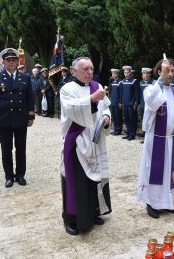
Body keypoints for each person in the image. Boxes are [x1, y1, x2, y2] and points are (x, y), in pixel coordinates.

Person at [60, 56, 112, 235]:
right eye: (85, 69)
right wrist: (91, 100)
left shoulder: (97, 86)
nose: (90, 72)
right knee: (77, 181)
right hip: (77, 140)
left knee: (94, 179)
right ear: (74, 71)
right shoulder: (67, 89)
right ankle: (73, 218)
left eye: (91, 69)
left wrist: (106, 117)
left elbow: (105, 107)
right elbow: (71, 110)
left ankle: (92, 212)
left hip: (95, 139)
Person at [137, 56, 174, 219]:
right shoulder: (151, 89)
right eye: (167, 71)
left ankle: (167, 202)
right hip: (155, 139)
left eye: (172, 71)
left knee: (169, 172)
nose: (170, 74)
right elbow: (151, 101)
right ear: (159, 72)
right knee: (153, 170)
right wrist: (159, 79)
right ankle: (151, 203)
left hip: (170, 139)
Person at [0, 48, 35, 188]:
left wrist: (31, 116)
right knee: (6, 149)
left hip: (20, 118)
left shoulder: (25, 77)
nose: (12, 62)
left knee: (21, 148)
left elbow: (30, 98)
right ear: (4, 62)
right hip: (4, 119)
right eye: (9, 60)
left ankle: (20, 175)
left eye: (14, 60)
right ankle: (8, 176)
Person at [120, 65, 139, 141]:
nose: (126, 74)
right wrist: (121, 102)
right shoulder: (123, 81)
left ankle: (132, 134)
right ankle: (128, 133)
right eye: (125, 72)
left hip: (131, 104)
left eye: (127, 72)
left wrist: (136, 102)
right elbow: (122, 93)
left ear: (130, 73)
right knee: (126, 119)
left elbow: (137, 93)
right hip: (125, 103)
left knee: (132, 119)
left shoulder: (134, 81)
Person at [109, 68, 123, 135]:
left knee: (118, 116)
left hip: (117, 102)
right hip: (113, 101)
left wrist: (120, 102)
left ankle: (118, 130)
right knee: (114, 116)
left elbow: (121, 93)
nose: (113, 75)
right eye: (112, 73)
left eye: (114, 73)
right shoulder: (112, 82)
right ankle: (115, 129)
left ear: (117, 74)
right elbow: (111, 92)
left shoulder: (120, 82)